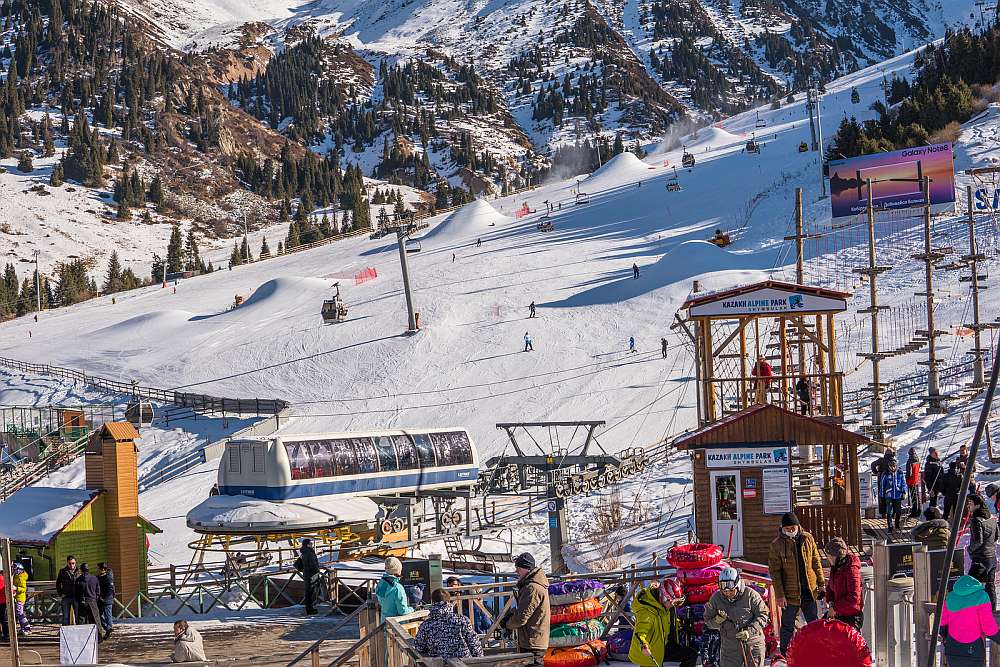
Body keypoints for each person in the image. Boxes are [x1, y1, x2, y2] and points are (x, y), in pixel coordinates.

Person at [768, 512, 825, 659]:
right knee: (787, 626)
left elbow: (816, 562)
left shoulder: (807, 538)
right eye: (787, 529)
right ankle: (785, 655)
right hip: (789, 594)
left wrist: (821, 583)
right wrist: (780, 595)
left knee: (814, 623)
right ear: (782, 528)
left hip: (809, 590)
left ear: (798, 526)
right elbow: (775, 572)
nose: (790, 531)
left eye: (792, 528)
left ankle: (818, 651)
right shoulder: (776, 545)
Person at [704, 568, 768, 667]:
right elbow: (708, 621)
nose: (728, 594)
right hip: (729, 647)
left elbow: (763, 615)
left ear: (737, 586)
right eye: (724, 591)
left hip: (752, 644)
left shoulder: (751, 595)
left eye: (731, 591)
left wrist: (749, 631)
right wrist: (716, 620)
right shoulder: (716, 599)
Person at [628, 577, 698, 667]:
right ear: (663, 597)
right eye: (672, 602)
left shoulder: (664, 607)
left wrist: (680, 624)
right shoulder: (647, 612)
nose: (673, 605)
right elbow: (639, 633)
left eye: (675, 603)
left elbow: (666, 622)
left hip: (663, 646)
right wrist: (644, 646)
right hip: (651, 652)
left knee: (691, 655)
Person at [939, 575, 1000, 667]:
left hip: (952, 647)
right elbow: (988, 627)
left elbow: (943, 623)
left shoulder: (950, 597)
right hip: (973, 648)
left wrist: (944, 635)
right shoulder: (982, 597)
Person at [503, 553, 550, 662]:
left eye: (519, 568)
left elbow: (521, 618)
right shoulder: (533, 585)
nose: (516, 571)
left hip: (532, 642)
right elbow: (527, 610)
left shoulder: (531, 588)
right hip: (534, 639)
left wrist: (507, 624)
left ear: (527, 569)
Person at [413, 588, 484, 659]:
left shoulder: (426, 625)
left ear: (433, 602)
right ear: (449, 601)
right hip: (464, 662)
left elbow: (419, 647)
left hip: (438, 663)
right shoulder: (462, 620)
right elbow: (474, 644)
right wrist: (480, 660)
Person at [823, 538, 863, 633]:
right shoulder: (836, 566)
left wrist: (835, 608)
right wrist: (830, 602)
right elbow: (830, 587)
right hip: (838, 612)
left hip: (851, 615)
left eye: (829, 556)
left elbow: (854, 598)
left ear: (835, 557)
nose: (828, 558)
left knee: (848, 641)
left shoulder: (852, 569)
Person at [966, 494, 999, 608]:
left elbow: (977, 541)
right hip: (992, 559)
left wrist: (969, 549)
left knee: (971, 586)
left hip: (980, 560)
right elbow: (996, 536)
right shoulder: (992, 518)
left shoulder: (976, 520)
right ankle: (992, 612)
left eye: (970, 503)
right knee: (990, 586)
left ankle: (974, 612)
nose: (968, 506)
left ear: (978, 505)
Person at [879, 459, 906, 533]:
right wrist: (882, 495)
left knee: (898, 511)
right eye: (891, 466)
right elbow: (882, 484)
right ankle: (890, 527)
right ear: (889, 466)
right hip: (889, 495)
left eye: (894, 466)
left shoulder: (900, 472)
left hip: (898, 494)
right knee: (889, 512)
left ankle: (897, 524)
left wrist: (904, 492)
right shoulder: (885, 473)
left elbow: (903, 483)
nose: (893, 468)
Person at [295, 538, 321, 615]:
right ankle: (310, 609)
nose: (312, 545)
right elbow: (313, 564)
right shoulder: (310, 553)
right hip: (311, 575)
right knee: (310, 593)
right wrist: (318, 571)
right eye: (310, 544)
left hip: (306, 574)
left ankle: (309, 608)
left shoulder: (303, 552)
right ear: (307, 545)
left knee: (308, 592)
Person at [77, 563, 101, 633]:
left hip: (82, 601)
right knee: (95, 620)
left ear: (81, 570)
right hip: (92, 601)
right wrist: (95, 599)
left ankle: (83, 636)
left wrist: (79, 600)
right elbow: (98, 591)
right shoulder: (94, 578)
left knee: (82, 621)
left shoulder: (78, 579)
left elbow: (76, 593)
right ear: (88, 569)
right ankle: (98, 636)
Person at [56, 554, 78, 625]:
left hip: (76, 596)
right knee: (65, 617)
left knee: (78, 616)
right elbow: (58, 583)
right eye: (70, 563)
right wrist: (60, 593)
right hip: (66, 596)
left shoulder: (79, 571)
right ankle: (65, 630)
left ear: (75, 562)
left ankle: (79, 630)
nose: (71, 565)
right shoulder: (62, 571)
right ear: (67, 563)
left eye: (73, 563)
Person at [97, 563, 115, 639]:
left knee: (108, 616)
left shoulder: (108, 577)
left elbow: (110, 590)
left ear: (102, 569)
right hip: (102, 600)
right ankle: (108, 629)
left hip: (107, 600)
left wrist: (104, 598)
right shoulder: (99, 577)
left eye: (98, 568)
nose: (97, 570)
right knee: (99, 616)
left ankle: (108, 630)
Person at [11, 563, 29, 636]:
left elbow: (24, 589)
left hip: (20, 598)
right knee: (18, 613)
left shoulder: (21, 577)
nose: (14, 571)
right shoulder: (16, 576)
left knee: (20, 613)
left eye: (16, 570)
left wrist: (16, 588)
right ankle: (23, 629)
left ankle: (27, 628)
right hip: (16, 597)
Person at [906, 447, 922, 517]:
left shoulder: (910, 460)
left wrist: (907, 479)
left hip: (911, 480)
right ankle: (919, 510)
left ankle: (914, 511)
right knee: (917, 496)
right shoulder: (917, 459)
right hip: (916, 479)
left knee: (913, 497)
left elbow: (909, 472)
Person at [0, 571, 7, 641]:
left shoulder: (2, 579)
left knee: (3, 619)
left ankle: (5, 634)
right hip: (3, 601)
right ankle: (5, 634)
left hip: (2, 601)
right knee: (3, 619)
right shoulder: (4, 578)